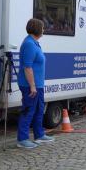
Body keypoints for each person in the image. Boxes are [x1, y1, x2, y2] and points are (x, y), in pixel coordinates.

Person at [16, 19, 54, 149]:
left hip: (38, 85)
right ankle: (22, 139)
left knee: (39, 110)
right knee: (28, 111)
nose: (43, 30)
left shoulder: (35, 43)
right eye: (42, 28)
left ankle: (39, 135)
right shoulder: (29, 44)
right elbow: (27, 67)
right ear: (37, 29)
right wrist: (32, 85)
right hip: (29, 86)